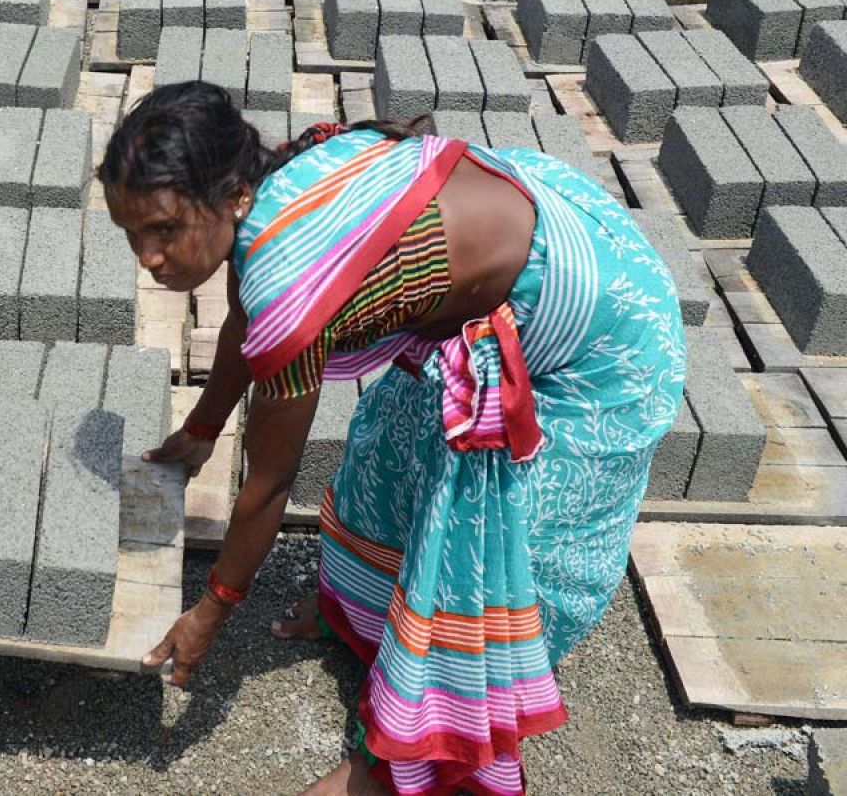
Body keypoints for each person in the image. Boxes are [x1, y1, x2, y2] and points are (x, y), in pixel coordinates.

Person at [101, 83, 685, 795]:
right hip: (522, 236)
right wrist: (200, 429)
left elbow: (268, 485)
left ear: (229, 195)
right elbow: (240, 324)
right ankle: (368, 614)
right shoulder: (267, 187)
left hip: (595, 319)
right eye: (132, 234)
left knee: (479, 535)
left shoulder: (289, 284)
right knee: (395, 444)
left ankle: (418, 750)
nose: (149, 258)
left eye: (163, 230)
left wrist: (211, 609)